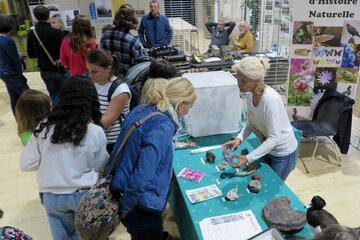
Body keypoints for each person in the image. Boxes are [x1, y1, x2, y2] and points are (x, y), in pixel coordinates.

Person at [20, 78, 109, 240]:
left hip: (51, 197)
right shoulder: (95, 131)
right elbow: (101, 164)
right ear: (91, 101)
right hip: (84, 195)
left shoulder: (44, 127)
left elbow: (26, 164)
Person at [110, 77, 196, 240]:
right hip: (141, 205)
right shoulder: (163, 126)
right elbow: (143, 174)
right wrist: (126, 207)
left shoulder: (142, 109)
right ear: (181, 103)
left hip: (121, 187)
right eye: (189, 107)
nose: (188, 112)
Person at [223, 57, 298, 181]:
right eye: (238, 79)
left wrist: (247, 158)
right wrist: (239, 138)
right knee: (261, 181)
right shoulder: (249, 94)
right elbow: (251, 121)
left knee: (272, 186)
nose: (239, 84)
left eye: (244, 81)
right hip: (268, 149)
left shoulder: (270, 99)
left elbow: (274, 138)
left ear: (257, 80)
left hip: (283, 153)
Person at [86, 49, 131, 154]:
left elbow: (105, 122)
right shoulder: (95, 83)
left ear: (108, 69)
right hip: (97, 139)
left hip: (113, 143)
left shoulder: (120, 90)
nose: (90, 75)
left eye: (94, 71)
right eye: (89, 70)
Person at [27, 5, 65, 106]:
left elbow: (31, 55)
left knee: (54, 94)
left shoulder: (31, 33)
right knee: (65, 94)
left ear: (35, 17)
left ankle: (57, 116)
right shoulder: (58, 33)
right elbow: (65, 52)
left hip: (45, 69)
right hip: (60, 68)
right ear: (48, 15)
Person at [101, 4, 146, 76]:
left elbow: (102, 59)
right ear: (132, 19)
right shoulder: (133, 41)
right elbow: (140, 67)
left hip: (110, 79)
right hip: (127, 82)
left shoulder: (105, 35)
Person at [0, 14, 29, 115]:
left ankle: (20, 122)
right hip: (12, 73)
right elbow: (16, 61)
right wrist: (21, 74)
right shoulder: (8, 40)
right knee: (29, 97)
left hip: (3, 73)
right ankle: (31, 122)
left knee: (14, 98)